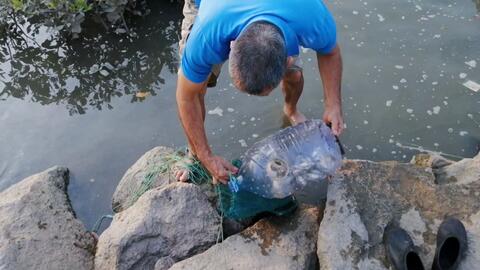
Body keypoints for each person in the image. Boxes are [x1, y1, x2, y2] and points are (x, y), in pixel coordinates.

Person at [174, 0, 344, 184]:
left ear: (288, 60)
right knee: (197, 87)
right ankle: (194, 154)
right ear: (230, 46)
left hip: (280, 11)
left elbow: (330, 53)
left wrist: (333, 104)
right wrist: (205, 155)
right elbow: (186, 97)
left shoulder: (312, 16)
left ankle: (291, 110)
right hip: (214, 10)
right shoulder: (207, 35)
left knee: (294, 76)